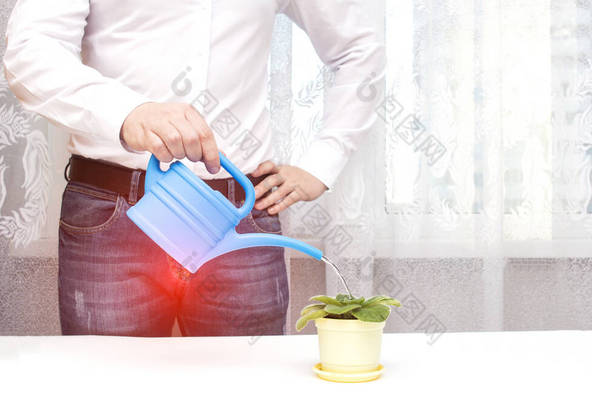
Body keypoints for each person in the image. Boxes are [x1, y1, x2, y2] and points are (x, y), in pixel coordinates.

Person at [2, 0, 384, 337]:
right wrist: (126, 112)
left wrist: (322, 161)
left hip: (238, 217)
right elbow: (31, 49)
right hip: (112, 211)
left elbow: (358, 47)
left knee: (249, 382)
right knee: (109, 384)